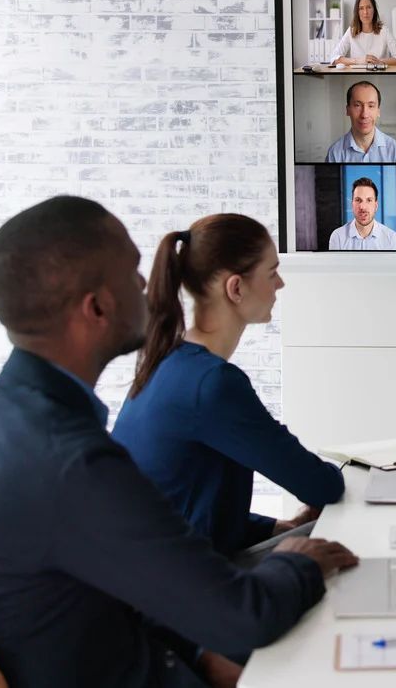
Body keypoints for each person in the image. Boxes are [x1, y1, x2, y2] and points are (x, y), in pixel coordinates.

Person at [0, 196, 358, 688]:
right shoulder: (69, 461)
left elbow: (119, 557)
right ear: (97, 307)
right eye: (132, 273)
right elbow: (244, 616)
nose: (147, 285)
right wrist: (300, 561)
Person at [112, 213, 346, 560]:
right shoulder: (212, 385)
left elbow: (180, 504)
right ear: (236, 288)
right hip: (184, 591)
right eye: (271, 273)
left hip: (155, 577)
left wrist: (273, 529)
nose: (280, 284)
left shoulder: (166, 361)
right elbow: (322, 486)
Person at [324, 81, 396, 163]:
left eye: (371, 106)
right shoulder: (334, 153)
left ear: (378, 111)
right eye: (357, 105)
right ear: (348, 110)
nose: (364, 115)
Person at [330, 0, 396, 66]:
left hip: (379, 76)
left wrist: (380, 61)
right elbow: (333, 58)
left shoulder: (384, 31)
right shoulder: (351, 31)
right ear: (357, 12)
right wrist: (358, 61)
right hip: (357, 77)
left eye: (368, 7)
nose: (365, 12)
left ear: (374, 10)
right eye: (361, 8)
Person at [328, 177, 396, 251]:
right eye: (358, 200)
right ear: (352, 204)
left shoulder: (391, 239)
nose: (363, 207)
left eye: (369, 200)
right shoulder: (337, 237)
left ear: (376, 206)